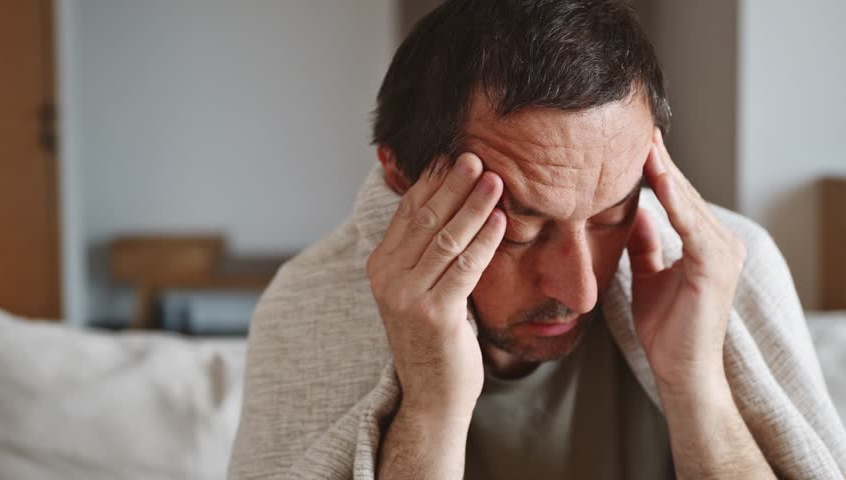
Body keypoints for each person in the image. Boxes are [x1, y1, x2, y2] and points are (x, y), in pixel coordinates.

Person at [229, 1, 846, 479]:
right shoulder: (306, 305)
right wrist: (430, 406)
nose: (580, 291)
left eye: (611, 215)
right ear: (401, 177)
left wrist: (696, 384)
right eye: (520, 229)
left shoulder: (725, 271)